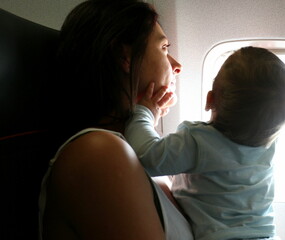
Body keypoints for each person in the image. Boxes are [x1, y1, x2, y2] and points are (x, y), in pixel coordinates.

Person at [38, 0, 193, 239]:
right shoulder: (98, 152)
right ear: (125, 56)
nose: (177, 66)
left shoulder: (138, 155)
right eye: (164, 48)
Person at [125, 46, 285, 240]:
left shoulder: (199, 142)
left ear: (209, 99)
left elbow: (147, 156)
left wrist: (145, 112)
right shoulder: (268, 147)